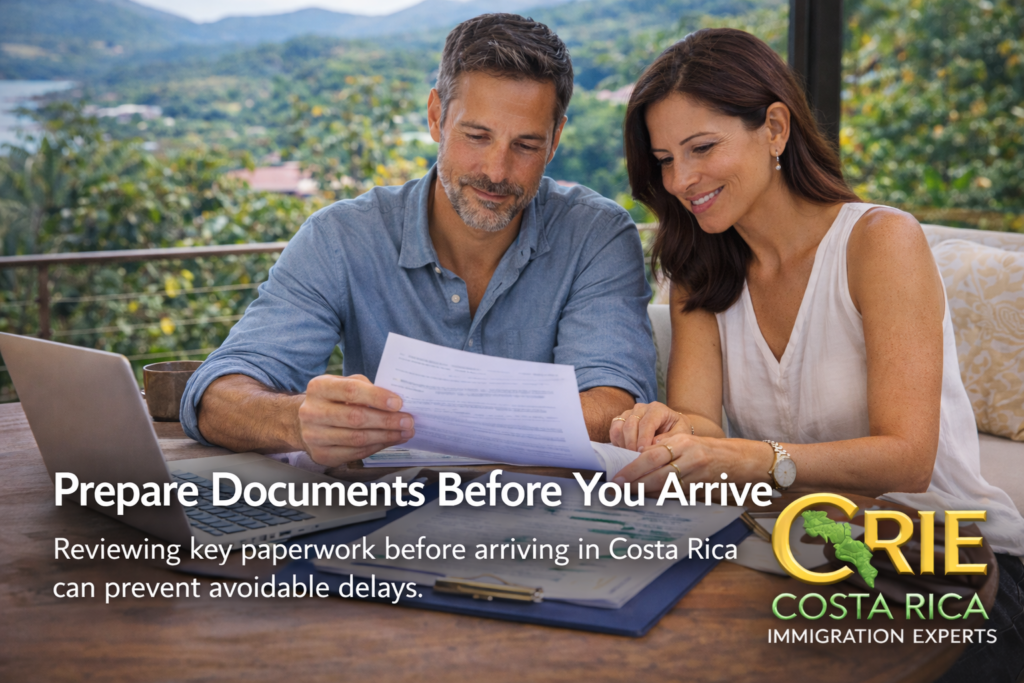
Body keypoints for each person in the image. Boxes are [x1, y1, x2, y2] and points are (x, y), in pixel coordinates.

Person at [609, 28, 1022, 681]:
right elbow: (702, 424)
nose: (681, 180)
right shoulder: (699, 268)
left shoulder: (880, 242)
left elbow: (908, 459)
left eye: (702, 148)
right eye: (664, 159)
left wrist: (754, 459)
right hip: (803, 556)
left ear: (775, 128)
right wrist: (668, 431)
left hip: (952, 565)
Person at [180, 13, 657, 466]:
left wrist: (432, 420)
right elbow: (216, 396)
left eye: (526, 145)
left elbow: (615, 408)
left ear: (554, 141)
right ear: (435, 117)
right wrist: (296, 420)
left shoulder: (596, 235)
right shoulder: (341, 236)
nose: (496, 171)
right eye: (476, 136)